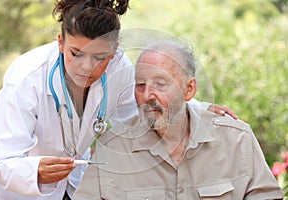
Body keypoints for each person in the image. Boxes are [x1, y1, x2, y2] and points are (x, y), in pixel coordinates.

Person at [0, 1, 236, 200]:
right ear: (61, 42)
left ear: (115, 51)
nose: (87, 67)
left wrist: (195, 107)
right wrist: (36, 171)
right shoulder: (27, 78)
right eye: (77, 54)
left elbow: (140, 108)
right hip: (12, 193)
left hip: (73, 187)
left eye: (100, 57)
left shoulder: (118, 67)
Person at [73, 40, 284, 200]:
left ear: (189, 89)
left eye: (161, 83)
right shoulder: (111, 148)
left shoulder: (236, 139)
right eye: (140, 85)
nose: (147, 95)